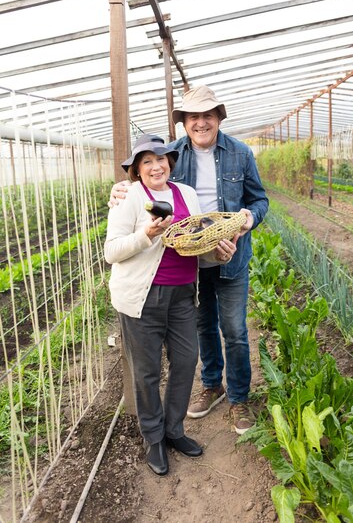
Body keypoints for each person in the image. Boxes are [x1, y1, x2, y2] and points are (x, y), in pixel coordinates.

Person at [109, 87, 269, 434]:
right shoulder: (170, 155)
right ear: (183, 123)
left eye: (207, 115)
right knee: (203, 327)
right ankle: (212, 385)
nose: (201, 123)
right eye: (193, 117)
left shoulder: (241, 153)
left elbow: (260, 200)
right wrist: (120, 190)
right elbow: (150, 190)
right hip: (189, 263)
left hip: (229, 255)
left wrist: (248, 219)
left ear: (218, 118)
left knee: (236, 330)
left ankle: (240, 399)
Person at [104, 133, 237, 476]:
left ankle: (174, 430)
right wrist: (146, 235)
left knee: (185, 361)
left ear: (170, 162)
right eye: (146, 161)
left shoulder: (186, 194)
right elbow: (112, 251)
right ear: (136, 169)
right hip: (141, 298)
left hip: (181, 295)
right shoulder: (130, 198)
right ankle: (153, 438)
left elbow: (194, 241)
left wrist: (217, 251)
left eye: (160, 159)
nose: (155, 166)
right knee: (147, 372)